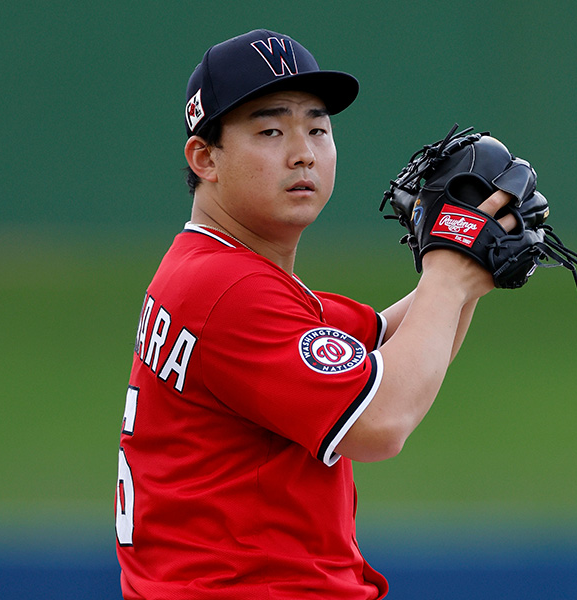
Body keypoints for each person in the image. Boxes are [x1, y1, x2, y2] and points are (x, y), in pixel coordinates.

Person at [115, 29, 516, 599]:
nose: (302, 151)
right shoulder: (230, 291)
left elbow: (389, 353)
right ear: (205, 157)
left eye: (318, 128)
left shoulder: (216, 271)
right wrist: (451, 270)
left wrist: (467, 266)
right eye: (271, 129)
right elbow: (381, 421)